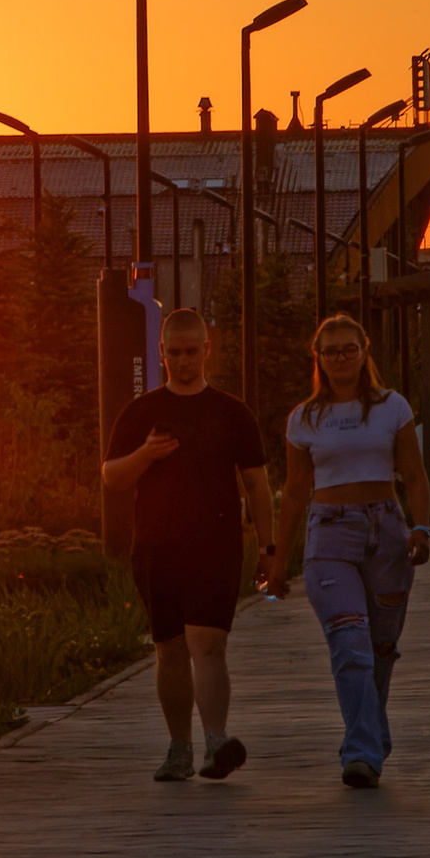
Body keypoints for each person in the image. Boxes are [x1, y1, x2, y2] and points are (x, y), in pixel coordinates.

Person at [102, 309, 278, 784]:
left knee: (209, 642)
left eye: (191, 351)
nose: (183, 360)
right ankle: (179, 747)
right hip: (156, 547)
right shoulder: (141, 413)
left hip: (216, 545)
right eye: (174, 352)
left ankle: (215, 742)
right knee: (171, 650)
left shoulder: (230, 412)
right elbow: (112, 476)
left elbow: (258, 485)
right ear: (161, 354)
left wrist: (269, 548)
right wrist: (146, 454)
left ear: (207, 350)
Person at [283, 315, 430, 789]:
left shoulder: (392, 407)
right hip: (328, 536)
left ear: (365, 351)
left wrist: (422, 527)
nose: (340, 358)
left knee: (379, 649)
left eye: (349, 349)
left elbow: (413, 473)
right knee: (351, 645)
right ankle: (362, 753)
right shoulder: (304, 418)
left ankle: (370, 732)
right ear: (319, 359)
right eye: (331, 352)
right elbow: (293, 491)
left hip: (385, 533)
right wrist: (275, 557)